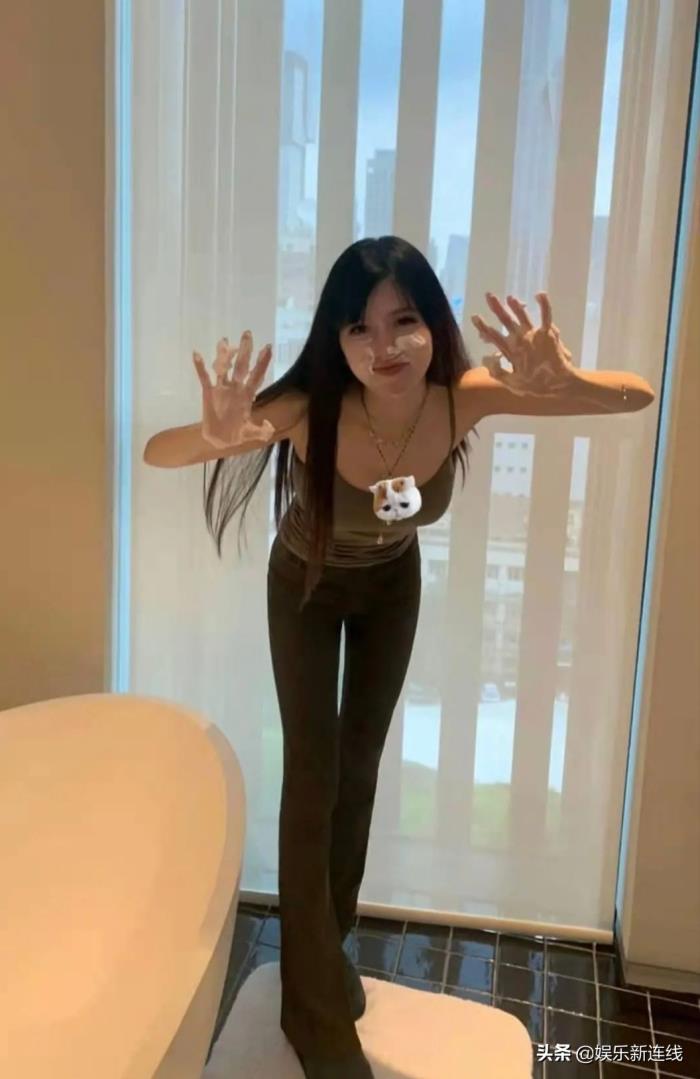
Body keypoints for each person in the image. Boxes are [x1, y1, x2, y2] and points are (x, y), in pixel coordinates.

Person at [143, 235, 655, 1079]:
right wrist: (211, 435)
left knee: (362, 764)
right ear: (337, 339)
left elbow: (636, 396)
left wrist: (569, 381)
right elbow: (159, 452)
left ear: (433, 324)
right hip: (306, 586)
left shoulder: (462, 398)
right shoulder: (309, 406)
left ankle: (323, 952)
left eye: (403, 320)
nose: (383, 346)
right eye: (359, 328)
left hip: (391, 584)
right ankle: (312, 1009)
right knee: (313, 773)